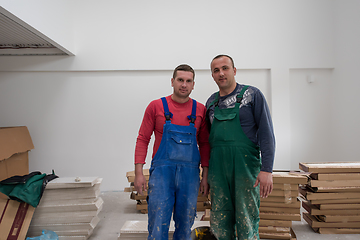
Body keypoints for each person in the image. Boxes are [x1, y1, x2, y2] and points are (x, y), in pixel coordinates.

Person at [134, 64, 210, 240]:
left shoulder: (200, 110)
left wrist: (205, 176)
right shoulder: (156, 106)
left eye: (188, 81)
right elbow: (142, 139)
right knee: (158, 225)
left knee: (185, 225)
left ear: (193, 84)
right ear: (172, 81)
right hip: (162, 175)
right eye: (180, 80)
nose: (184, 84)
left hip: (190, 177)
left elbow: (205, 144)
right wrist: (139, 173)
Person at [205, 55, 275, 240]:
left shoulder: (252, 95)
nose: (221, 73)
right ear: (212, 75)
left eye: (225, 68)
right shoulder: (211, 103)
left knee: (246, 218)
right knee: (220, 218)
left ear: (234, 70)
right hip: (218, 171)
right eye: (216, 70)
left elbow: (267, 134)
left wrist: (267, 169)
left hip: (245, 169)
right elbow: (206, 141)